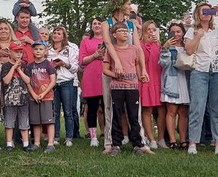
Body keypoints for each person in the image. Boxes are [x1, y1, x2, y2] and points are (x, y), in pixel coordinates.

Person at [184, 2, 218, 155]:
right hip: (199, 71)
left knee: (217, 107)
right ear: (197, 14)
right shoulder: (192, 32)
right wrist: (198, 36)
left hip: (217, 72)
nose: (206, 14)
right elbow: (189, 50)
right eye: (203, 11)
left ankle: (217, 142)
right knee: (197, 107)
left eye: (209, 11)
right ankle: (193, 142)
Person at [102, 22, 151, 156]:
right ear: (114, 35)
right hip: (117, 88)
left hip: (132, 87)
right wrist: (115, 75)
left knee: (134, 116)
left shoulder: (134, 49)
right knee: (116, 116)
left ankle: (137, 145)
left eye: (126, 31)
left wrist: (141, 75)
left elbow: (135, 65)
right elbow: (105, 70)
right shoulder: (111, 51)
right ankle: (116, 145)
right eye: (121, 31)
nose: (125, 33)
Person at [20, 41, 57, 152]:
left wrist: (43, 93)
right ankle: (36, 143)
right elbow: (28, 82)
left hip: (47, 97)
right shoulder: (30, 66)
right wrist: (34, 94)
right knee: (36, 122)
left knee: (49, 121)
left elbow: (53, 81)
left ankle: (51, 144)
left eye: (41, 49)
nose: (38, 51)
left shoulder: (48, 64)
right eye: (36, 49)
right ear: (33, 51)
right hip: (34, 97)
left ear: (45, 51)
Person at [159, 21, 189, 149]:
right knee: (171, 111)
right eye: (173, 32)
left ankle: (183, 140)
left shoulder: (187, 45)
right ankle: (172, 140)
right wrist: (165, 48)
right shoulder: (166, 46)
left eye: (179, 31)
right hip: (172, 80)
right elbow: (163, 64)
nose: (176, 34)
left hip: (186, 79)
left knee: (183, 111)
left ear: (183, 33)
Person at [49, 25, 79, 146]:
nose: (56, 35)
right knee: (54, 112)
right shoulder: (48, 50)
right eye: (55, 33)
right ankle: (56, 137)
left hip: (67, 82)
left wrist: (64, 64)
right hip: (53, 83)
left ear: (63, 37)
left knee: (68, 111)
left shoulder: (69, 50)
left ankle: (69, 137)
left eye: (59, 33)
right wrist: (52, 65)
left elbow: (75, 68)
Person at [78, 17, 106, 147]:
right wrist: (95, 55)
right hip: (90, 77)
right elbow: (82, 60)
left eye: (99, 23)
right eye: (94, 23)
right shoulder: (85, 41)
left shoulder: (109, 40)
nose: (97, 25)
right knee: (92, 107)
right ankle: (93, 137)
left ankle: (108, 134)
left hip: (106, 76)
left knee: (107, 108)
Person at [1, 41, 30, 151]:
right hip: (10, 99)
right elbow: (6, 81)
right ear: (10, 52)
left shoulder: (24, 66)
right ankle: (9, 143)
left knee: (24, 122)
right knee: (9, 122)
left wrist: (19, 69)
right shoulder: (6, 66)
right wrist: (13, 68)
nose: (19, 54)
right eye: (16, 52)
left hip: (23, 99)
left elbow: (28, 80)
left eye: (20, 52)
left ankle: (26, 144)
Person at [139, 21, 162, 150]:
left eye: (154, 29)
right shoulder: (141, 44)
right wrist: (148, 43)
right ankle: (151, 138)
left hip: (158, 80)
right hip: (146, 80)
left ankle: (161, 138)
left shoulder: (158, 45)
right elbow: (144, 60)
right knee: (147, 110)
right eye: (149, 29)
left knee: (160, 110)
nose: (151, 32)